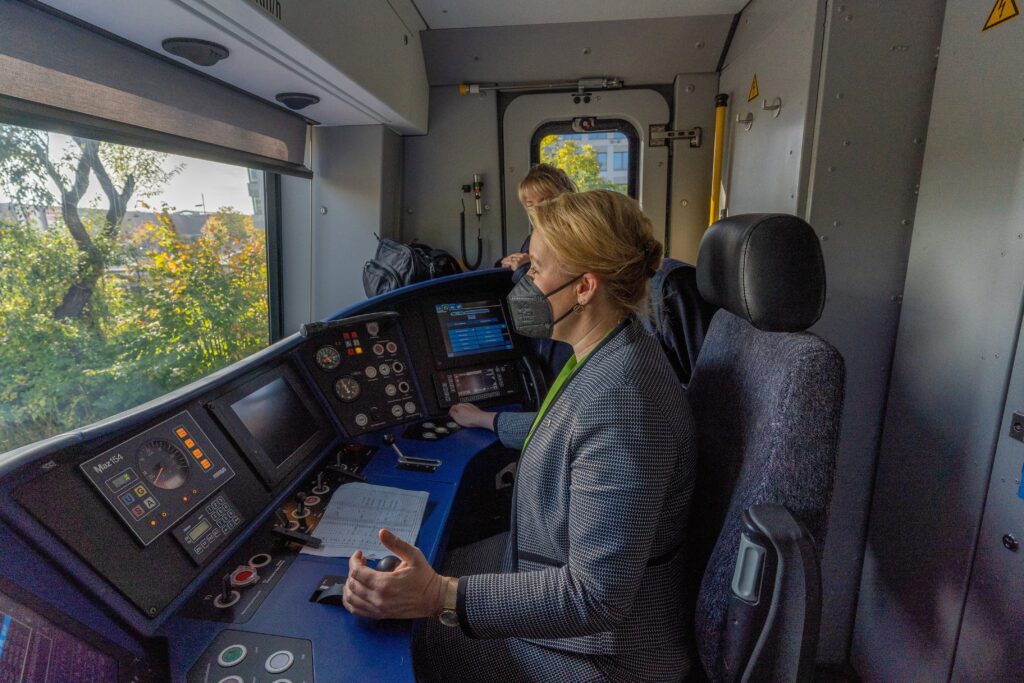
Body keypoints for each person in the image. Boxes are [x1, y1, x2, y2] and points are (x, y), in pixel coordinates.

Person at [341, 190, 697, 682]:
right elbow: (572, 427)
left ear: (585, 287)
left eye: (536, 268)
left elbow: (593, 598)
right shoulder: (614, 347)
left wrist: (439, 596)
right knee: (440, 560)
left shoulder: (625, 400)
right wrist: (489, 421)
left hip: (597, 654)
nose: (524, 281)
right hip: (548, 571)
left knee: (387, 638)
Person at [499, 163, 577, 281]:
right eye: (530, 204)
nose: (537, 209)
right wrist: (509, 262)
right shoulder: (533, 238)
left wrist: (525, 267)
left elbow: (528, 298)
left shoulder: (576, 239)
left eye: (545, 200)